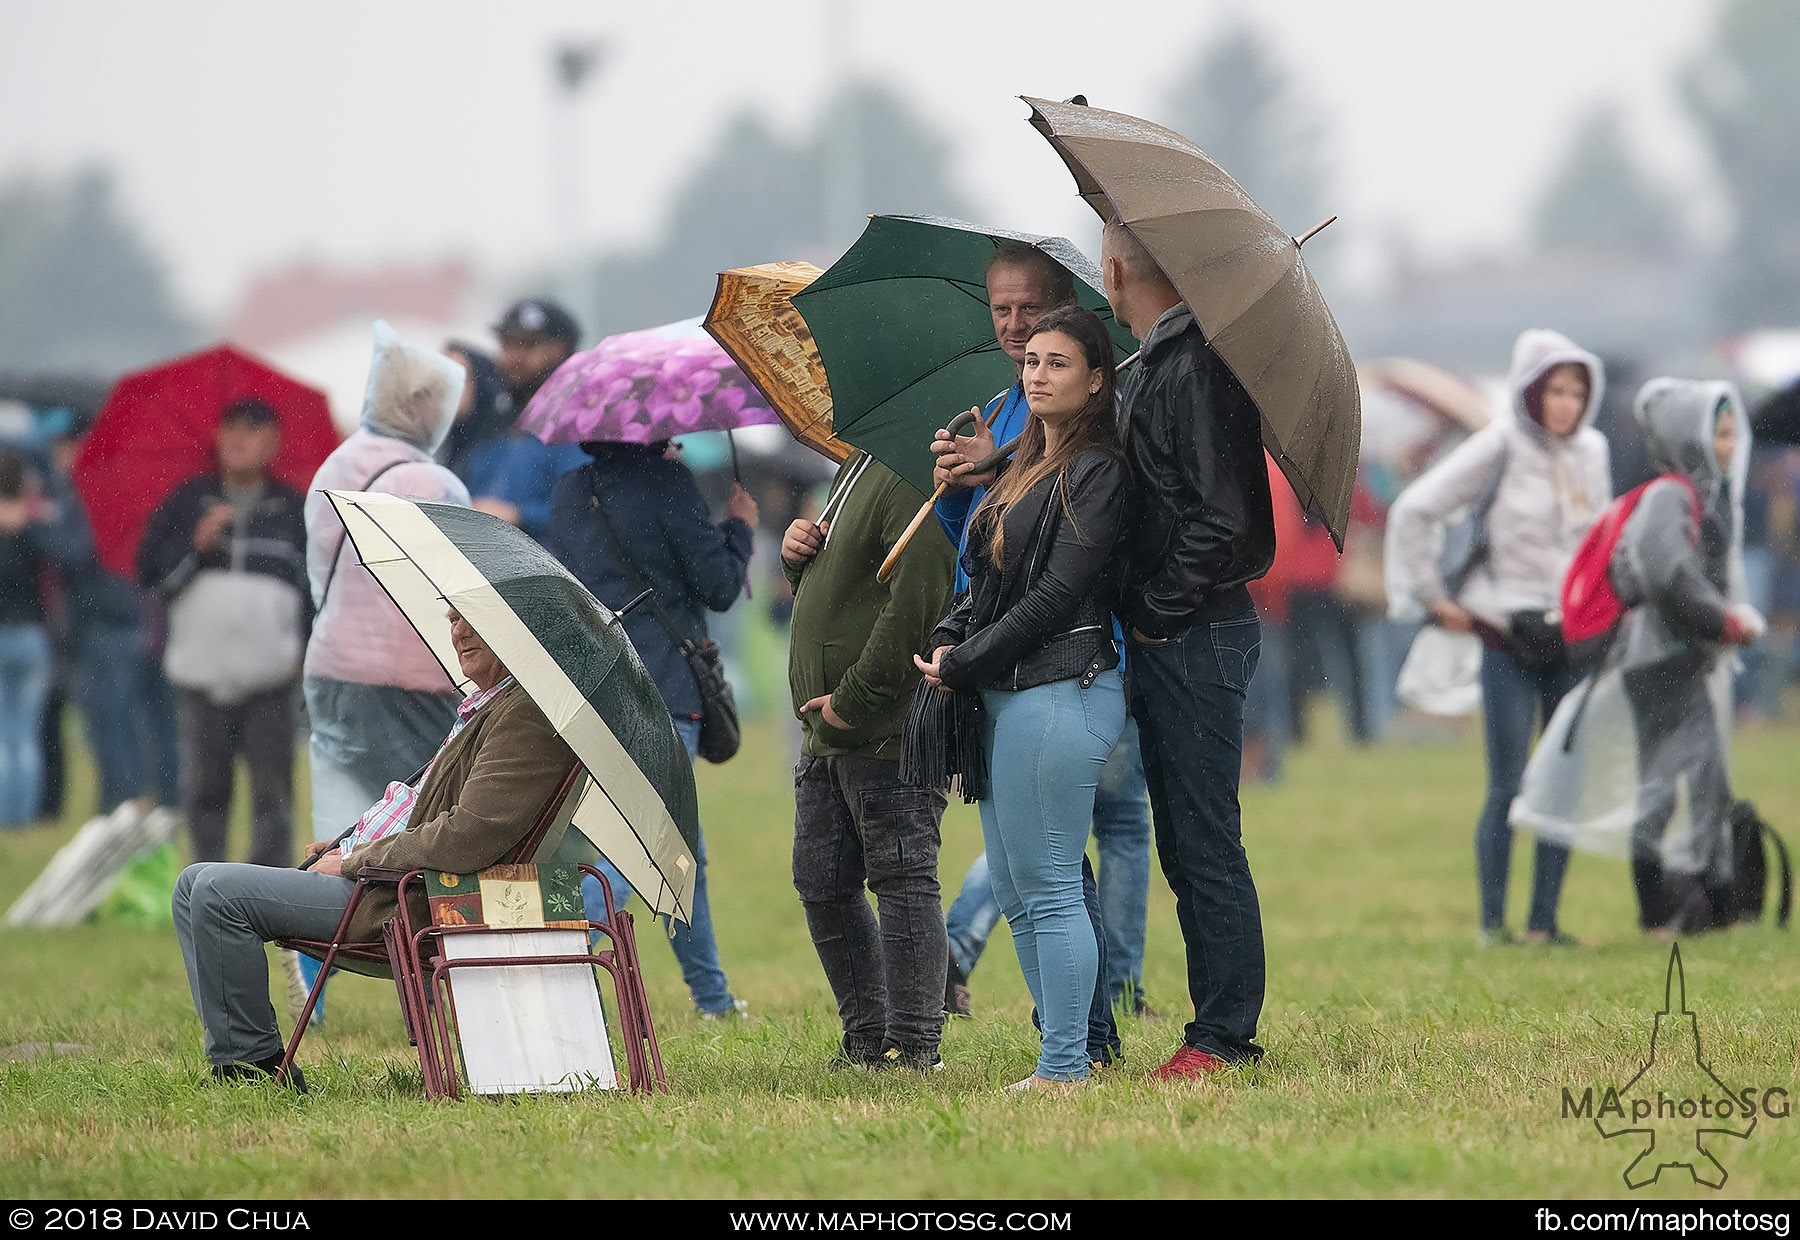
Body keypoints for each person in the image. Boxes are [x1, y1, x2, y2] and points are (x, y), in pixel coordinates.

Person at [171, 609, 576, 1091]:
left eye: (472, 619)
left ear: (517, 627)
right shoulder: (491, 706)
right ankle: (238, 1057)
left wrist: (357, 860)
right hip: (382, 880)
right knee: (191, 882)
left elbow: (468, 834)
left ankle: (251, 1069)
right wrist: (350, 843)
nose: (459, 631)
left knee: (217, 891)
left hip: (402, 898)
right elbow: (428, 813)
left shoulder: (525, 715)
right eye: (452, 619)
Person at [930, 242, 1153, 1039]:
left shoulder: (1096, 459)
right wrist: (965, 489)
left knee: (1061, 872)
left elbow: (1058, 589)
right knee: (1038, 881)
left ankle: (1082, 1041)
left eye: (1053, 353)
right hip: (1007, 682)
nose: (1027, 351)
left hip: (1070, 679)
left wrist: (967, 659)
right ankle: (1082, 1034)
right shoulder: (1013, 438)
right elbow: (982, 562)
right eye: (1008, 321)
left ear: (1094, 371)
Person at [1108, 216, 1276, 1079]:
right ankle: (1213, 1021)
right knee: (1179, 835)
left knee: (1204, 836)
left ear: (1113, 271)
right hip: (1183, 627)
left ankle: (1225, 1033)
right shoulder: (1161, 363)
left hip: (1198, 629)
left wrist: (1156, 612)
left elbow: (1224, 518)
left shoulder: (1193, 367)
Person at [1387, 329, 1611, 948]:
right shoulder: (1500, 446)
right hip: (1506, 636)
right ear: (1530, 392)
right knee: (1509, 782)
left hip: (1572, 637)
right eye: (1554, 390)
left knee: (1563, 778)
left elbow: (1598, 541)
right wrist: (1435, 599)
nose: (1565, 403)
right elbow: (1415, 511)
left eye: (1576, 391)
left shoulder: (1593, 452)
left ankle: (1544, 922)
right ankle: (1493, 923)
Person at [1514, 381, 1761, 937]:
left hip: (1659, 656)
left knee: (1668, 776)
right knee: (1695, 776)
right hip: (1662, 656)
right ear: (1690, 436)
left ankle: (1669, 905)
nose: (1728, 444)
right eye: (1717, 433)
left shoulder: (1695, 494)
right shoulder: (1673, 495)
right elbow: (1667, 572)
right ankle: (1694, 903)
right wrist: (1722, 620)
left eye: (1731, 433)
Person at [292, 322, 472, 1022]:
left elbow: (318, 570)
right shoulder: (434, 480)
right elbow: (456, 585)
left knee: (339, 829)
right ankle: (428, 988)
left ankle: (312, 980)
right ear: (423, 404)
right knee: (422, 830)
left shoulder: (335, 466)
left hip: (332, 669)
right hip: (413, 679)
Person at [545, 436, 758, 1018]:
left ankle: (713, 999)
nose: (680, 439)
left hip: (593, 687)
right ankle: (558, 956)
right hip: (662, 687)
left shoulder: (568, 491)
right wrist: (739, 527)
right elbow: (717, 585)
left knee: (682, 852)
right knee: (641, 845)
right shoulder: (668, 483)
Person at [780, 448, 956, 1070]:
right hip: (826, 729)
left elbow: (919, 601)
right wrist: (798, 557)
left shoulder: (915, 467)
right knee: (822, 881)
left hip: (881, 727)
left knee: (902, 876)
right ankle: (866, 1037)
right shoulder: (856, 464)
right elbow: (850, 586)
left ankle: (912, 1046)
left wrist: (856, 700)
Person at [138, 397, 309, 866]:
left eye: (251, 429)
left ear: (272, 443)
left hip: (271, 681)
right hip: (200, 677)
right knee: (204, 793)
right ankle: (205, 885)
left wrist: (304, 657)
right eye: (230, 426)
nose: (237, 438)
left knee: (273, 797)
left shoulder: (294, 510)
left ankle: (266, 891)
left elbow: (313, 592)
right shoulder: (186, 502)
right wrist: (195, 547)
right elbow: (152, 577)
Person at [460, 299, 587, 546]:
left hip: (554, 575)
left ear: (559, 351)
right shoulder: (493, 422)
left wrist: (520, 516)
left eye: (527, 345)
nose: (513, 357)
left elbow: (586, 511)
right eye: (507, 344)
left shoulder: (578, 425)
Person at [0, 447, 76, 828]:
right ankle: (23, 815)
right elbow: (66, 556)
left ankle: (4, 815)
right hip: (31, 636)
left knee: (2, 733)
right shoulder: (33, 528)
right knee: (26, 734)